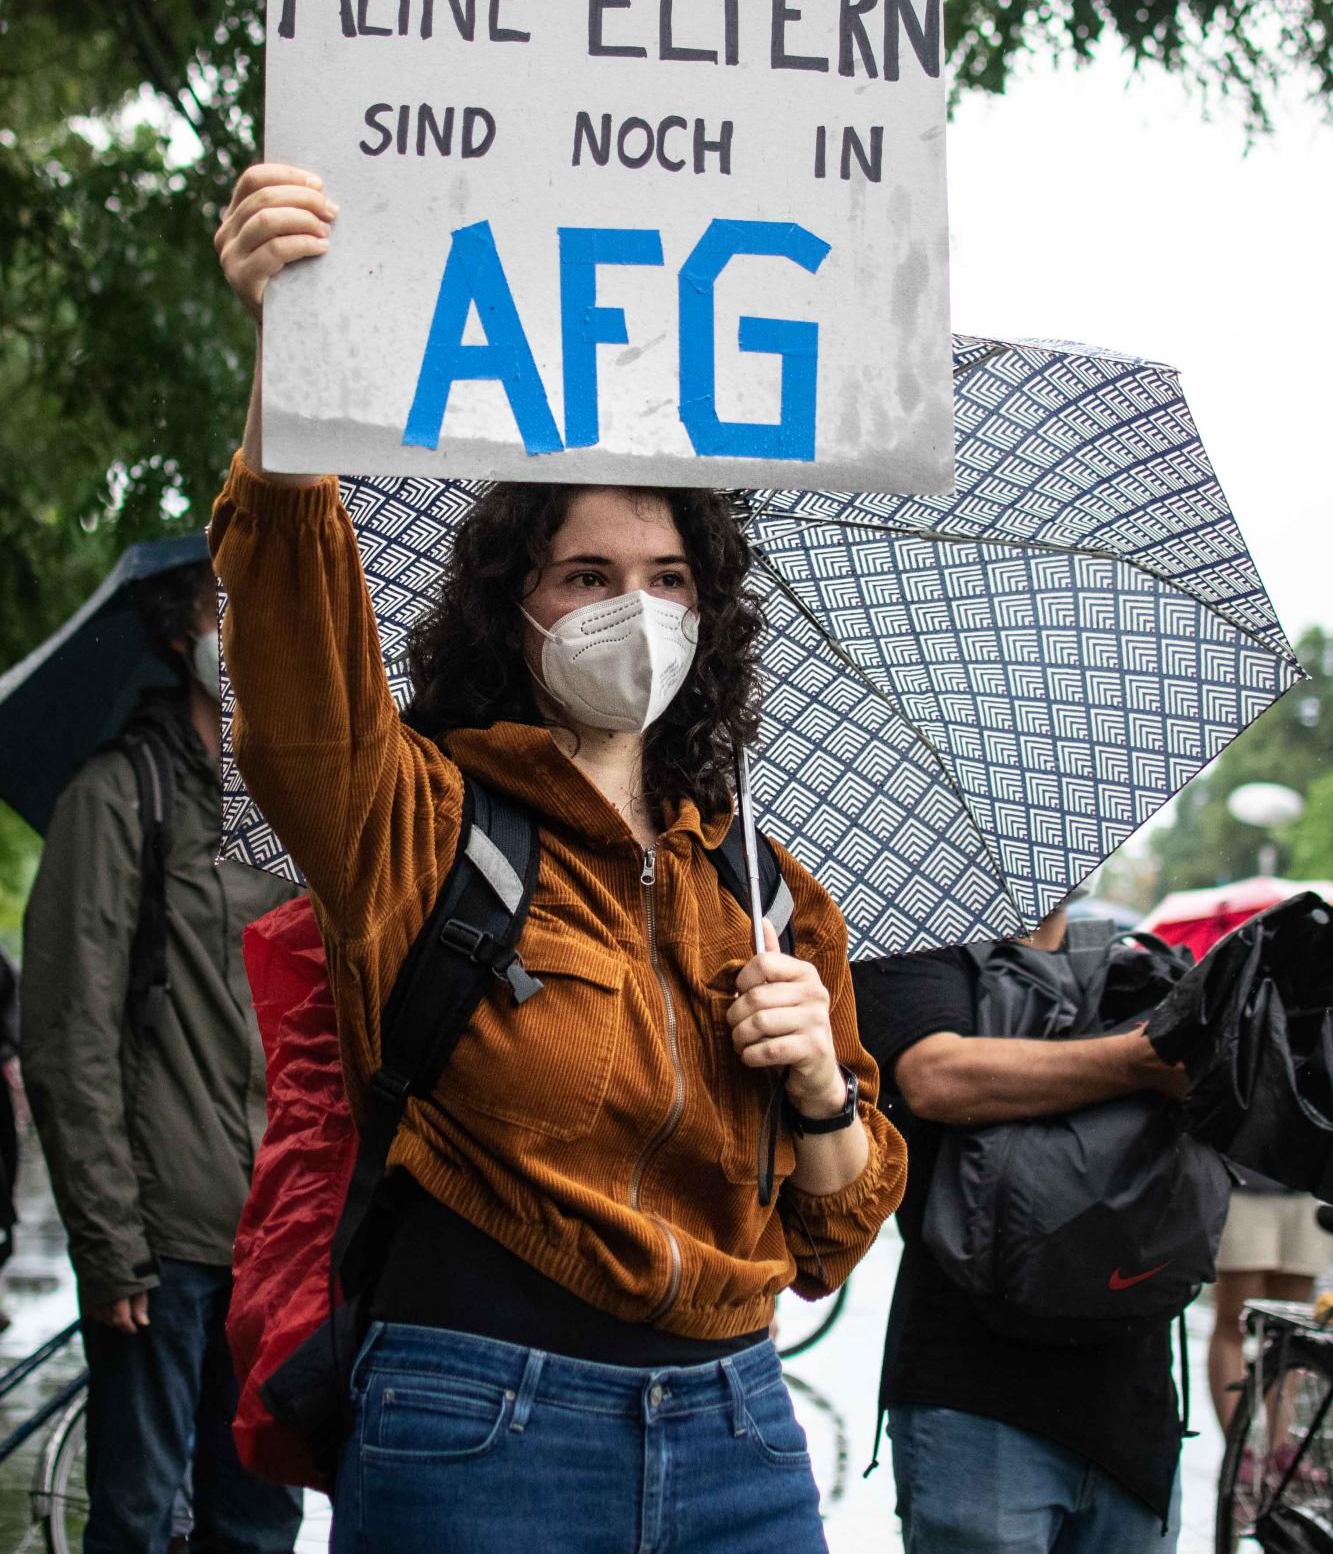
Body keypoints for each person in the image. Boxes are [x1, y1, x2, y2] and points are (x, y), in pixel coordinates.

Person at [209, 160, 907, 1554]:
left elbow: (830, 1243)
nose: (632, 613)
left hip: (740, 1433)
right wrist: (290, 376)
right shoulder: (418, 821)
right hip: (477, 1428)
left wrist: (821, 1085)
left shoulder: (766, 892)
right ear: (512, 607)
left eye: (668, 582)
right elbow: (297, 667)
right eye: (586, 576)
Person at [21, 556, 303, 1554]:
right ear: (180, 631)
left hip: (275, 1242)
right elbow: (68, 1036)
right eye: (228, 608)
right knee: (137, 1518)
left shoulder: (294, 810)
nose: (252, 633)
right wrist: (108, 1240)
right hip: (161, 1244)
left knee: (261, 1520)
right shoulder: (113, 798)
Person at [853, 897, 1192, 1554]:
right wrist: (1137, 1062)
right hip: (976, 1400)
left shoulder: (1131, 968)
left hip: (1135, 1404)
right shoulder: (915, 955)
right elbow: (936, 1076)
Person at [1208, 1173, 1331, 1430]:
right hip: (1245, 1184)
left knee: (1289, 1334)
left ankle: (1279, 1448)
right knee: (1234, 1321)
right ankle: (1237, 1447)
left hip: (1311, 1191)